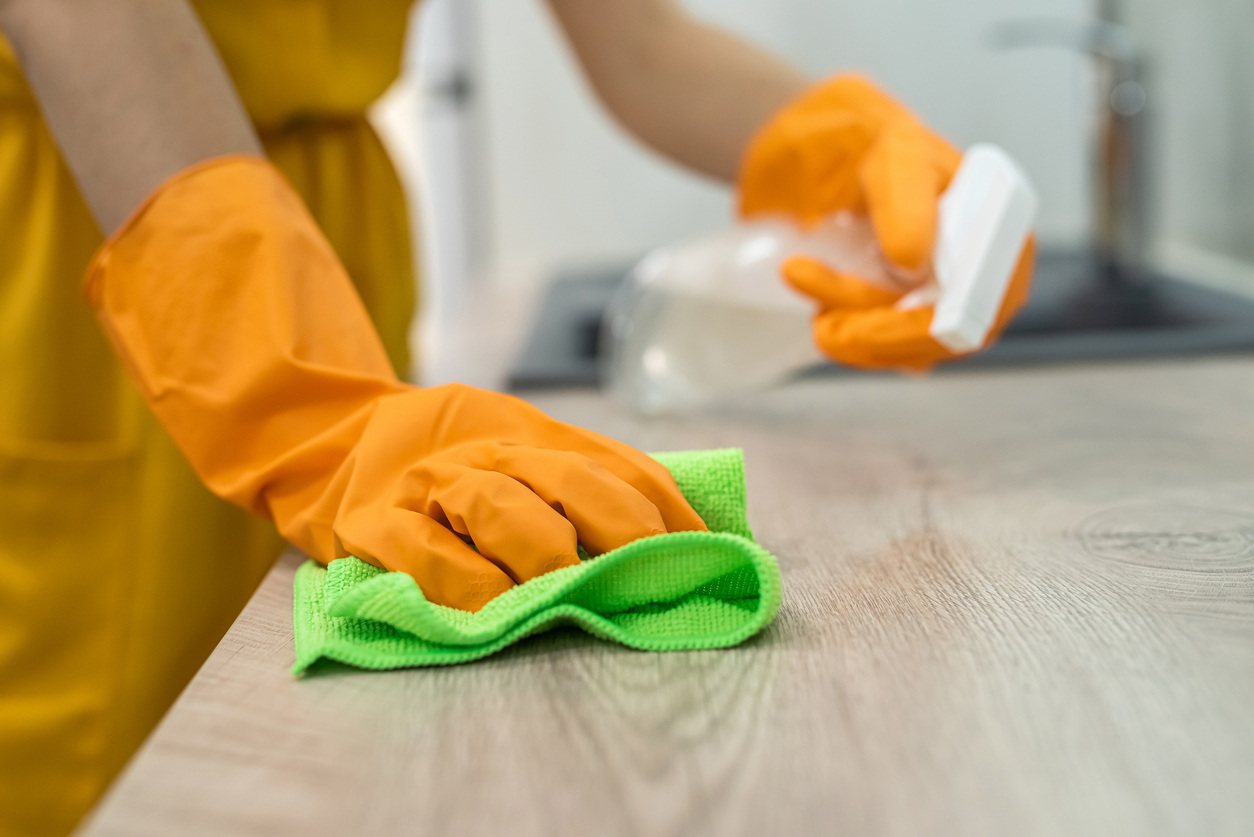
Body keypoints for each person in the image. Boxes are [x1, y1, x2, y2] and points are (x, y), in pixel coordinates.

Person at [0, 0, 1033, 833]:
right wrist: (289, 387)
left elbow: (636, 38)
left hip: (316, 246)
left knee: (328, 762)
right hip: (106, 227)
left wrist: (850, 152)